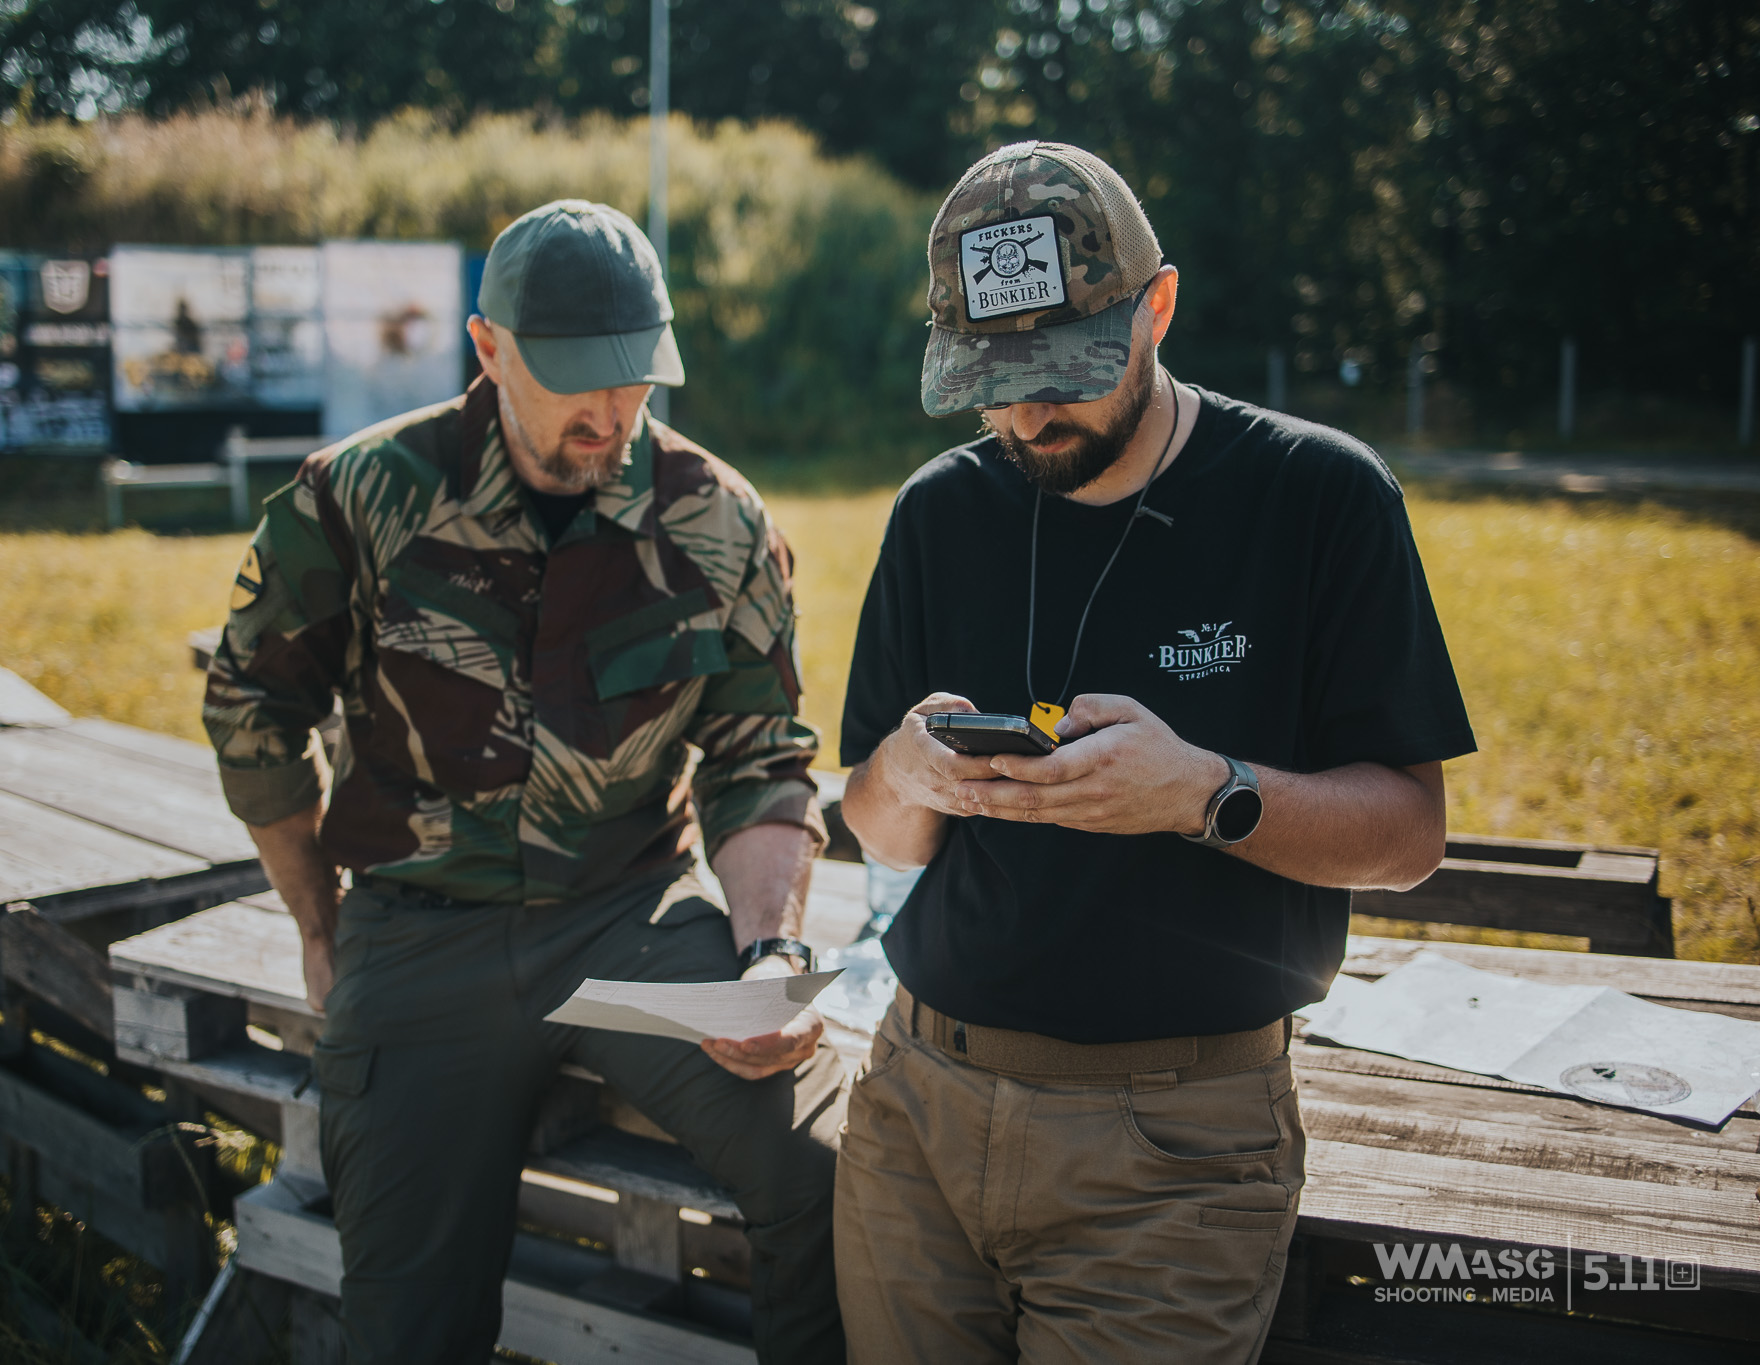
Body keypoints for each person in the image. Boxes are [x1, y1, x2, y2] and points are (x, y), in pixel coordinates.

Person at [833, 141, 1477, 1362]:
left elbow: (1406, 835)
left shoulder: (1316, 497)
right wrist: (905, 776)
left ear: (1157, 307)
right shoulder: (936, 513)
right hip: (916, 1109)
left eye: (1063, 370)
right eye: (992, 376)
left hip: (1174, 1151)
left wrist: (1204, 795)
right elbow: (875, 825)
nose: (1027, 412)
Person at [205, 199, 847, 1365]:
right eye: (570, 381)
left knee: (833, 1177)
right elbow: (252, 713)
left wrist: (769, 953)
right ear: (487, 348)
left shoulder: (716, 519)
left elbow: (758, 755)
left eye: (634, 382)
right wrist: (316, 923)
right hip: (419, 933)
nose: (608, 415)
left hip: (629, 930)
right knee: (408, 1317)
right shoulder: (355, 497)